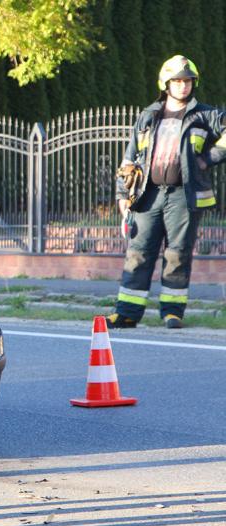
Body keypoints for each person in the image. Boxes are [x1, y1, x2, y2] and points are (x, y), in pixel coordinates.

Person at [108, 55, 226, 329]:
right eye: (178, 81)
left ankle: (172, 312)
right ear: (166, 83)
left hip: (183, 196)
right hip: (148, 195)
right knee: (138, 252)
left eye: (187, 81)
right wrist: (122, 195)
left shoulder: (206, 115)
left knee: (178, 254)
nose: (183, 86)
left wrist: (207, 158)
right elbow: (130, 157)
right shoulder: (148, 115)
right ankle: (126, 313)